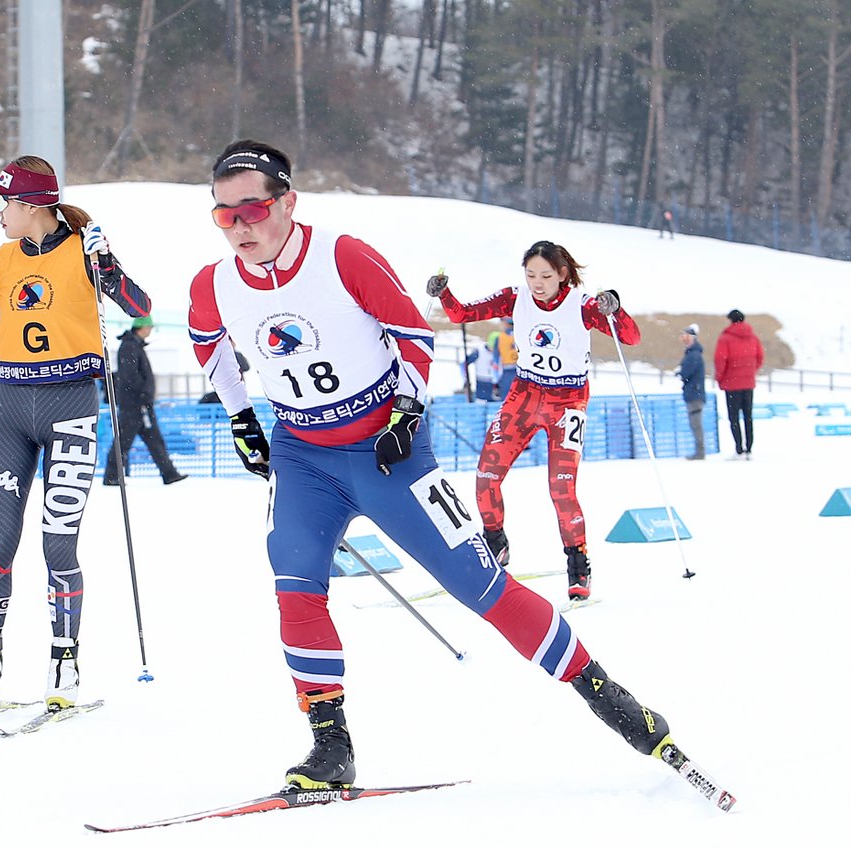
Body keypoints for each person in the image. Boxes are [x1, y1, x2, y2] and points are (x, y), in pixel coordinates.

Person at [190, 139, 685, 792]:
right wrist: (240, 416)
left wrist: (408, 409)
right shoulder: (214, 283)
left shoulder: (343, 255)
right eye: (224, 215)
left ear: (287, 201)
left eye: (250, 210)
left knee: (481, 586)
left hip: (386, 452)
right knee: (295, 582)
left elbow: (413, 333)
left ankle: (608, 695)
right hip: (303, 455)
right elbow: (208, 342)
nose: (239, 227)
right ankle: (330, 743)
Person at [0, 155, 151, 712]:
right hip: (11, 408)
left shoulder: (82, 252)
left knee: (58, 542)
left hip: (72, 405)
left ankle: (64, 662)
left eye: (4, 205)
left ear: (32, 206)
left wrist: (108, 266)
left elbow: (140, 309)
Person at [428, 240, 640, 601]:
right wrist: (444, 293)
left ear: (562, 274)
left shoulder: (583, 305)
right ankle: (495, 543)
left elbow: (630, 338)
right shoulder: (516, 297)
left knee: (561, 489)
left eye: (545, 275)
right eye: (530, 275)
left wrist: (615, 309)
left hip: (567, 402)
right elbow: (461, 314)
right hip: (524, 396)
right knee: (485, 476)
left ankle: (578, 562)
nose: (537, 283)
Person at [102, 315, 188, 486]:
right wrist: (143, 394)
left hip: (140, 404)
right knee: (124, 441)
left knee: (154, 439)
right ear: (143, 327)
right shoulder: (129, 346)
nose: (150, 330)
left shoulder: (134, 345)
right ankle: (112, 475)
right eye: (149, 327)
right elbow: (130, 375)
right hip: (134, 405)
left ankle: (169, 473)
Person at [714, 309, 764, 460]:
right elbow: (760, 357)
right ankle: (749, 448)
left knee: (734, 417)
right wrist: (750, 372)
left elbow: (720, 361)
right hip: (748, 383)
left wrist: (720, 378)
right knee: (748, 416)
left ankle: (739, 449)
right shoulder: (753, 337)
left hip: (731, 384)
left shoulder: (725, 338)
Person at [677, 324, 707, 460]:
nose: (683, 338)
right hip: (693, 392)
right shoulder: (693, 354)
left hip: (695, 393)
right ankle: (699, 451)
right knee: (695, 423)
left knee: (696, 424)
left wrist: (680, 373)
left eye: (685, 336)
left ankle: (700, 452)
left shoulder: (694, 355)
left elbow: (686, 373)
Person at [491, 317, 518, 400]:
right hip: (524, 373)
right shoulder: (523, 334)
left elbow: (495, 361)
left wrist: (495, 383)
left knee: (507, 401)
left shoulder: (500, 338)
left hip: (507, 373)